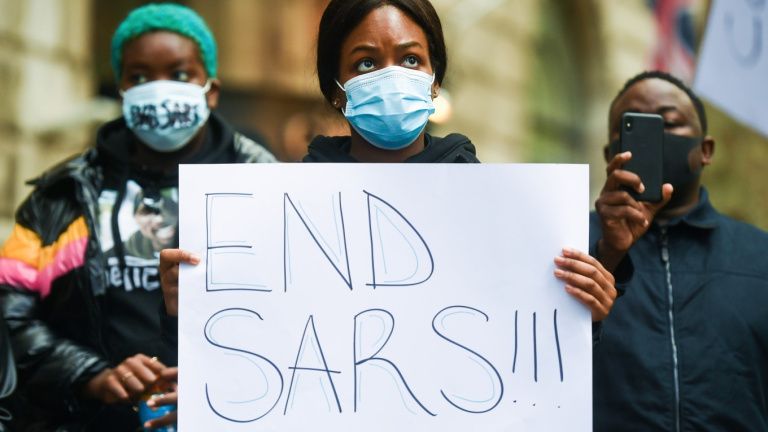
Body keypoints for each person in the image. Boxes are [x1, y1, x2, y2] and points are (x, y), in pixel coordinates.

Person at [160, 0, 616, 351]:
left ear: (435, 81)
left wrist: (581, 316)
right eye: (366, 63)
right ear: (335, 91)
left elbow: (532, 356)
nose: (392, 77)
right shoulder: (284, 212)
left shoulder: (499, 211)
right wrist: (185, 311)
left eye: (411, 59)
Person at [0, 3, 276, 431]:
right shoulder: (62, 195)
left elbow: (295, 316)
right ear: (122, 91)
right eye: (140, 77)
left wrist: (226, 387)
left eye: (180, 74)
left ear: (212, 91)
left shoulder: (268, 188)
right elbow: (10, 308)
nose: (160, 89)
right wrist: (89, 376)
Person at [591, 70, 768, 431]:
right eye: (633, 126)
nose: (654, 139)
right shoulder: (567, 244)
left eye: (669, 123)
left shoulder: (760, 255)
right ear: (610, 153)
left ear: (706, 151)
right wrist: (607, 256)